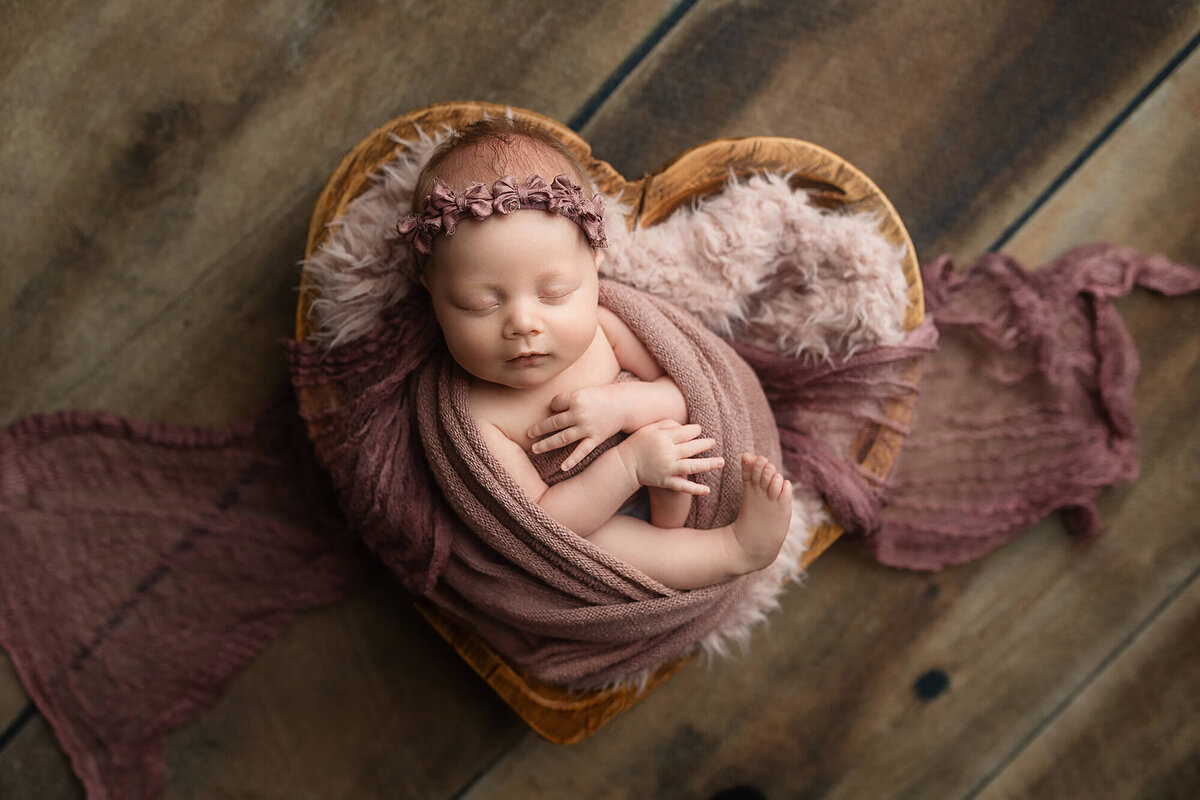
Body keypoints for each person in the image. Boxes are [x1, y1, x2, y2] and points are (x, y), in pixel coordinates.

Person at [398, 117, 791, 590]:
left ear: (595, 264)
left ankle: (684, 522)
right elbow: (544, 523)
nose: (523, 323)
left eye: (556, 292)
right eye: (480, 303)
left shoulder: (605, 327)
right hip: (595, 520)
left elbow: (683, 392)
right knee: (608, 544)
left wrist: (621, 407)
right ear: (433, 293)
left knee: (670, 428)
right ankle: (736, 549)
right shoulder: (478, 413)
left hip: (675, 472)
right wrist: (628, 467)